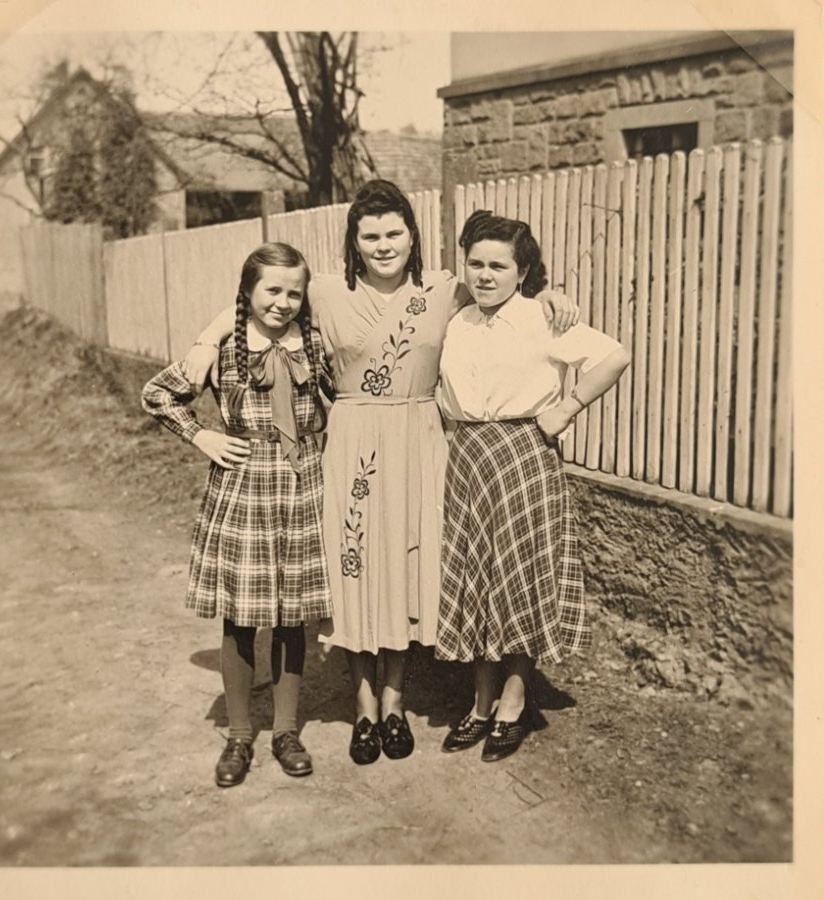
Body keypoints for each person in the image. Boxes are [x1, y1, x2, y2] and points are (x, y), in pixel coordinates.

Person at [183, 180, 579, 766]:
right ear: (354, 242)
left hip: (421, 443)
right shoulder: (326, 292)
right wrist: (206, 339)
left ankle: (395, 705)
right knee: (357, 570)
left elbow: (504, 290)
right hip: (351, 442)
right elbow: (259, 302)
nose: (383, 245)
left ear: (412, 236)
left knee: (405, 570)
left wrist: (550, 294)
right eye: (370, 236)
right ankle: (364, 708)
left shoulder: (442, 289)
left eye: (394, 232)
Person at [436, 210, 630, 762]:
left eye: (499, 266)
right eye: (476, 263)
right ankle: (480, 703)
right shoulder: (457, 320)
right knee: (477, 576)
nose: (485, 275)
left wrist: (567, 407)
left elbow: (614, 356)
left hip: (524, 454)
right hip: (468, 456)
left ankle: (514, 702)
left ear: (522, 272)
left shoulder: (541, 318)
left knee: (519, 576)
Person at [141, 242, 333, 788]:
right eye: (271, 290)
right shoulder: (224, 347)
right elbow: (157, 394)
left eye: (294, 293)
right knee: (242, 615)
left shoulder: (312, 343)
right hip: (244, 483)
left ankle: (287, 731)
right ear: (247, 291)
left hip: (303, 484)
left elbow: (343, 393)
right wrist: (201, 435)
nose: (282, 302)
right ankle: (240, 734)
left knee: (294, 614)